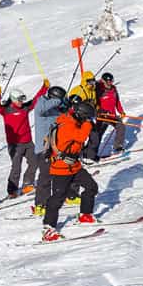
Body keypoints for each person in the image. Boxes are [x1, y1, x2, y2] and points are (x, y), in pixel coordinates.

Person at [41, 99, 100, 241]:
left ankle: (85, 214)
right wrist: (87, 123)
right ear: (81, 116)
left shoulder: (72, 121)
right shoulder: (67, 125)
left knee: (91, 186)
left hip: (74, 166)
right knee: (57, 198)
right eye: (86, 118)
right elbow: (81, 137)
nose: (87, 120)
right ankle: (48, 228)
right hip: (61, 168)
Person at [0, 85, 43, 199]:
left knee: (34, 162)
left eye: (22, 100)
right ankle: (12, 191)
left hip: (28, 142)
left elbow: (35, 100)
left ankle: (27, 183)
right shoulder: (6, 110)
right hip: (14, 144)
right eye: (19, 100)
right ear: (14, 99)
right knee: (16, 168)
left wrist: (44, 87)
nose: (21, 102)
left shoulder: (25, 108)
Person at [29, 84, 68, 216]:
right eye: (60, 99)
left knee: (61, 173)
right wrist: (58, 100)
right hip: (44, 149)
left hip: (56, 148)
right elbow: (40, 109)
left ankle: (65, 196)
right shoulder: (41, 105)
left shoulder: (55, 110)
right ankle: (40, 204)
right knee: (45, 177)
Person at [94, 71, 129, 159]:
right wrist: (99, 111)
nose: (110, 83)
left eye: (111, 81)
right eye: (108, 82)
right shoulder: (99, 90)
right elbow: (95, 103)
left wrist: (121, 111)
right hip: (102, 116)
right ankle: (91, 153)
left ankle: (118, 147)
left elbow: (117, 102)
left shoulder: (113, 89)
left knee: (121, 126)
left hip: (112, 115)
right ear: (103, 81)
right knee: (98, 134)